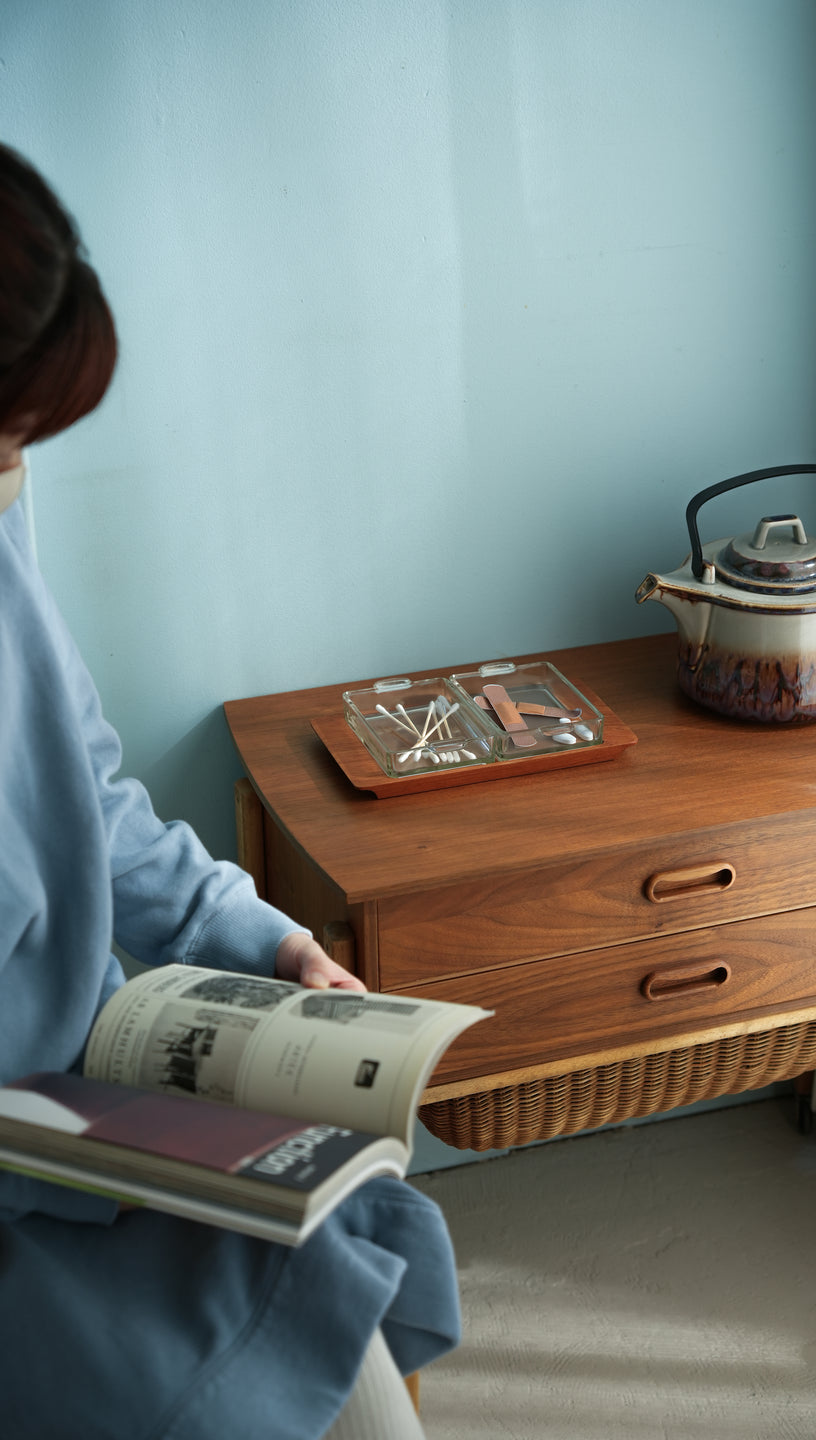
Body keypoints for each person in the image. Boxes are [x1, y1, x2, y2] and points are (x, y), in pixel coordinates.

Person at [0, 143, 459, 1440]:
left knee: (347, 1276)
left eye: (27, 434)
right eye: (8, 430)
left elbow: (86, 786)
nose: (17, 474)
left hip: (83, 1080)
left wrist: (266, 938)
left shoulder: (0, 532)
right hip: (35, 1164)